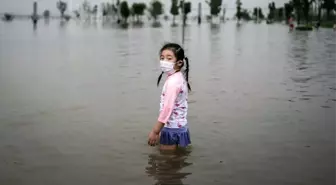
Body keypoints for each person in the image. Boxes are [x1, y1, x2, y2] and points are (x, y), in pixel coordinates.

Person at [148, 43, 191, 150]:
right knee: (175, 160)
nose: (164, 61)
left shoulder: (173, 82)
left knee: (167, 163)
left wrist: (155, 131)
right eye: (162, 58)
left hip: (172, 128)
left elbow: (167, 108)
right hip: (180, 126)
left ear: (179, 62)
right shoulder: (178, 77)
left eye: (169, 58)